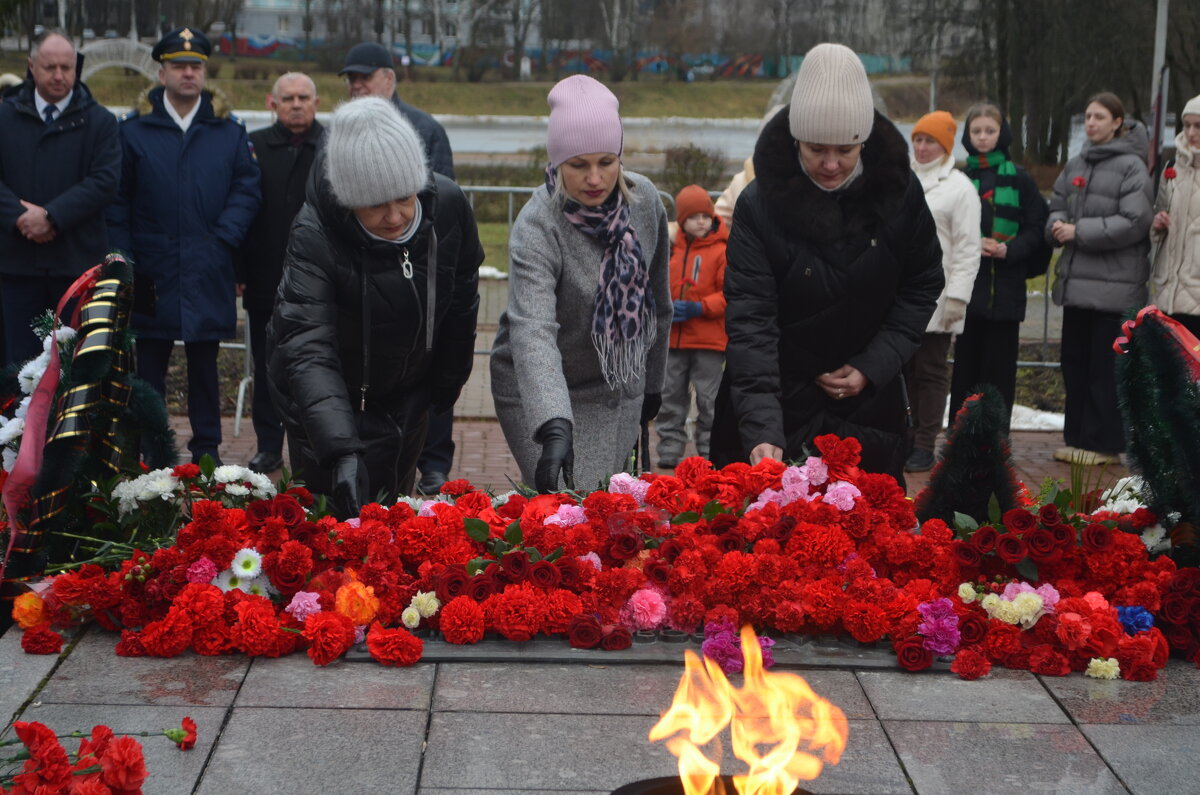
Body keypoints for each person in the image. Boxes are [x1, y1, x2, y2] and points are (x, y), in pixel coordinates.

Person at [709, 42, 944, 482]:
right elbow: (751, 319)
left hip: (869, 408)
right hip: (777, 396)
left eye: (846, 150)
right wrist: (761, 426)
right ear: (796, 138)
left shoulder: (902, 195)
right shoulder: (758, 205)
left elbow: (921, 285)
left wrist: (874, 365)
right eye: (816, 149)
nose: (831, 164)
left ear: (865, 142)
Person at [267, 97, 482, 517]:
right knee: (334, 527)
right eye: (375, 204)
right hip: (329, 406)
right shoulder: (315, 234)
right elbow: (308, 345)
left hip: (407, 395)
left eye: (404, 197)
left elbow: (461, 294)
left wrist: (447, 381)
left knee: (395, 519)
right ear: (348, 201)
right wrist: (340, 450)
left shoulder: (450, 206)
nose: (396, 216)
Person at [490, 75, 672, 493]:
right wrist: (553, 422)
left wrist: (653, 386)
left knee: (614, 512)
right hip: (541, 389)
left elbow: (659, 305)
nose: (595, 178)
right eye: (578, 165)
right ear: (556, 163)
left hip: (616, 379)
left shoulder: (644, 203)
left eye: (606, 162)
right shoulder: (537, 226)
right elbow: (533, 330)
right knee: (567, 508)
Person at [107, 27, 261, 465]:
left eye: (195, 66)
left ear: (204, 73)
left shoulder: (227, 131)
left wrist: (224, 239)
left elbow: (247, 190)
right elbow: (117, 200)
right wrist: (123, 257)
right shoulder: (134, 131)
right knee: (149, 365)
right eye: (179, 66)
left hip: (208, 263)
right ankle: (151, 449)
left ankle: (207, 450)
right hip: (151, 265)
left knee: (205, 366)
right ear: (162, 73)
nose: (188, 73)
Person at [337, 40, 457, 495]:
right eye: (351, 79)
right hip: (364, 278)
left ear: (390, 78)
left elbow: (441, 205)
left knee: (429, 366)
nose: (357, 85)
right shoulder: (342, 136)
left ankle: (435, 463)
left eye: (365, 77)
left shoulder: (425, 129)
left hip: (420, 274)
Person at [0, 31, 120, 365]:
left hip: (76, 266)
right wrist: (20, 217)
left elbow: (105, 181)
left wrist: (51, 216)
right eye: (49, 66)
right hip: (17, 266)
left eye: (66, 67)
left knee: (74, 368)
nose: (58, 75)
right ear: (31, 66)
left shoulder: (100, 122)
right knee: (18, 371)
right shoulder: (5, 118)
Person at [1046, 92, 1153, 467]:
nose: (1091, 123)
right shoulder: (1077, 161)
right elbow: (1057, 202)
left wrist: (1079, 231)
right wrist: (1055, 224)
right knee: (1074, 363)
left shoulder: (1132, 167)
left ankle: (1103, 443)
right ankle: (1077, 438)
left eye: (1100, 117)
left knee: (1103, 370)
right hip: (1077, 286)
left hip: (1114, 288)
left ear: (1118, 123)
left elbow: (1135, 221)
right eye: (1088, 116)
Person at [235, 72, 322, 474]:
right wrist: (238, 269)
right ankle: (269, 445)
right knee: (268, 368)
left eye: (304, 97)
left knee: (316, 367)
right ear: (273, 103)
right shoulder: (252, 146)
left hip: (320, 282)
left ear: (316, 103)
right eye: (288, 98)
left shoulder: (331, 148)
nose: (297, 104)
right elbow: (241, 212)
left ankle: (316, 446)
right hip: (264, 277)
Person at [949, 103, 1051, 430]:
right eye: (976, 131)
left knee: (1000, 375)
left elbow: (1038, 227)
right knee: (964, 371)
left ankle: (995, 442)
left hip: (1006, 290)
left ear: (1001, 134)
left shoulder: (1019, 178)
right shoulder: (959, 177)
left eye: (989, 131)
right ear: (967, 136)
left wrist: (1010, 249)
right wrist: (972, 242)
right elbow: (947, 227)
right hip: (968, 288)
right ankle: (959, 439)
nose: (982, 137)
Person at [903, 111, 982, 472]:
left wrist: (958, 298)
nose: (921, 147)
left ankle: (923, 442)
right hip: (898, 295)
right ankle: (902, 436)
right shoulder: (900, 179)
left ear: (945, 145)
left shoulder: (960, 188)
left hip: (938, 296)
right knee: (899, 369)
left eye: (929, 141)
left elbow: (968, 248)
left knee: (930, 371)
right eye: (917, 139)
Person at [657, 184, 728, 468]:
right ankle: (670, 448)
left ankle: (710, 451)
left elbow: (730, 293)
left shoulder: (722, 251)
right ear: (681, 220)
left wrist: (701, 307)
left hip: (709, 340)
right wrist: (666, 307)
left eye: (706, 215)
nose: (701, 221)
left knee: (710, 399)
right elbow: (659, 287)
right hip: (674, 340)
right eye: (694, 216)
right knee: (670, 397)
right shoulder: (672, 252)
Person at [1150, 94, 1200, 339]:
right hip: (1168, 293)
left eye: (1198, 125)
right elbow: (1160, 211)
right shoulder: (1172, 167)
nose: (1191, 132)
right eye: (1187, 125)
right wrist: (1158, 223)